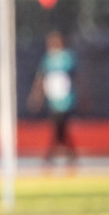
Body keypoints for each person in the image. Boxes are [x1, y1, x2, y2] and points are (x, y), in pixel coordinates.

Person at [28, 31, 78, 171]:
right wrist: (37, 96)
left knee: (60, 125)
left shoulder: (68, 58)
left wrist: (84, 96)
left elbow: (77, 77)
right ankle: (69, 154)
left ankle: (51, 154)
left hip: (67, 99)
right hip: (53, 99)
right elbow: (41, 78)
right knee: (59, 127)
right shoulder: (48, 59)